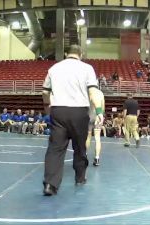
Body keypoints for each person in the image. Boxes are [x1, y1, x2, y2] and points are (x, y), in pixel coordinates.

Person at [42, 45, 104, 196]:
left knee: (55, 148)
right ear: (81, 54)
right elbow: (93, 91)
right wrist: (99, 111)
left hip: (58, 111)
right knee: (80, 147)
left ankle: (50, 184)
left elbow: (45, 91)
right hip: (79, 112)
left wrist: (47, 108)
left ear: (66, 53)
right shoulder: (87, 68)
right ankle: (80, 177)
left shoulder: (54, 68)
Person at [85, 88, 105, 166]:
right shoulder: (100, 93)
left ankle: (85, 155)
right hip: (98, 117)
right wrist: (101, 116)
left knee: (88, 136)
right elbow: (102, 108)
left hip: (89, 116)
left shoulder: (88, 92)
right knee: (97, 138)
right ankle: (97, 158)